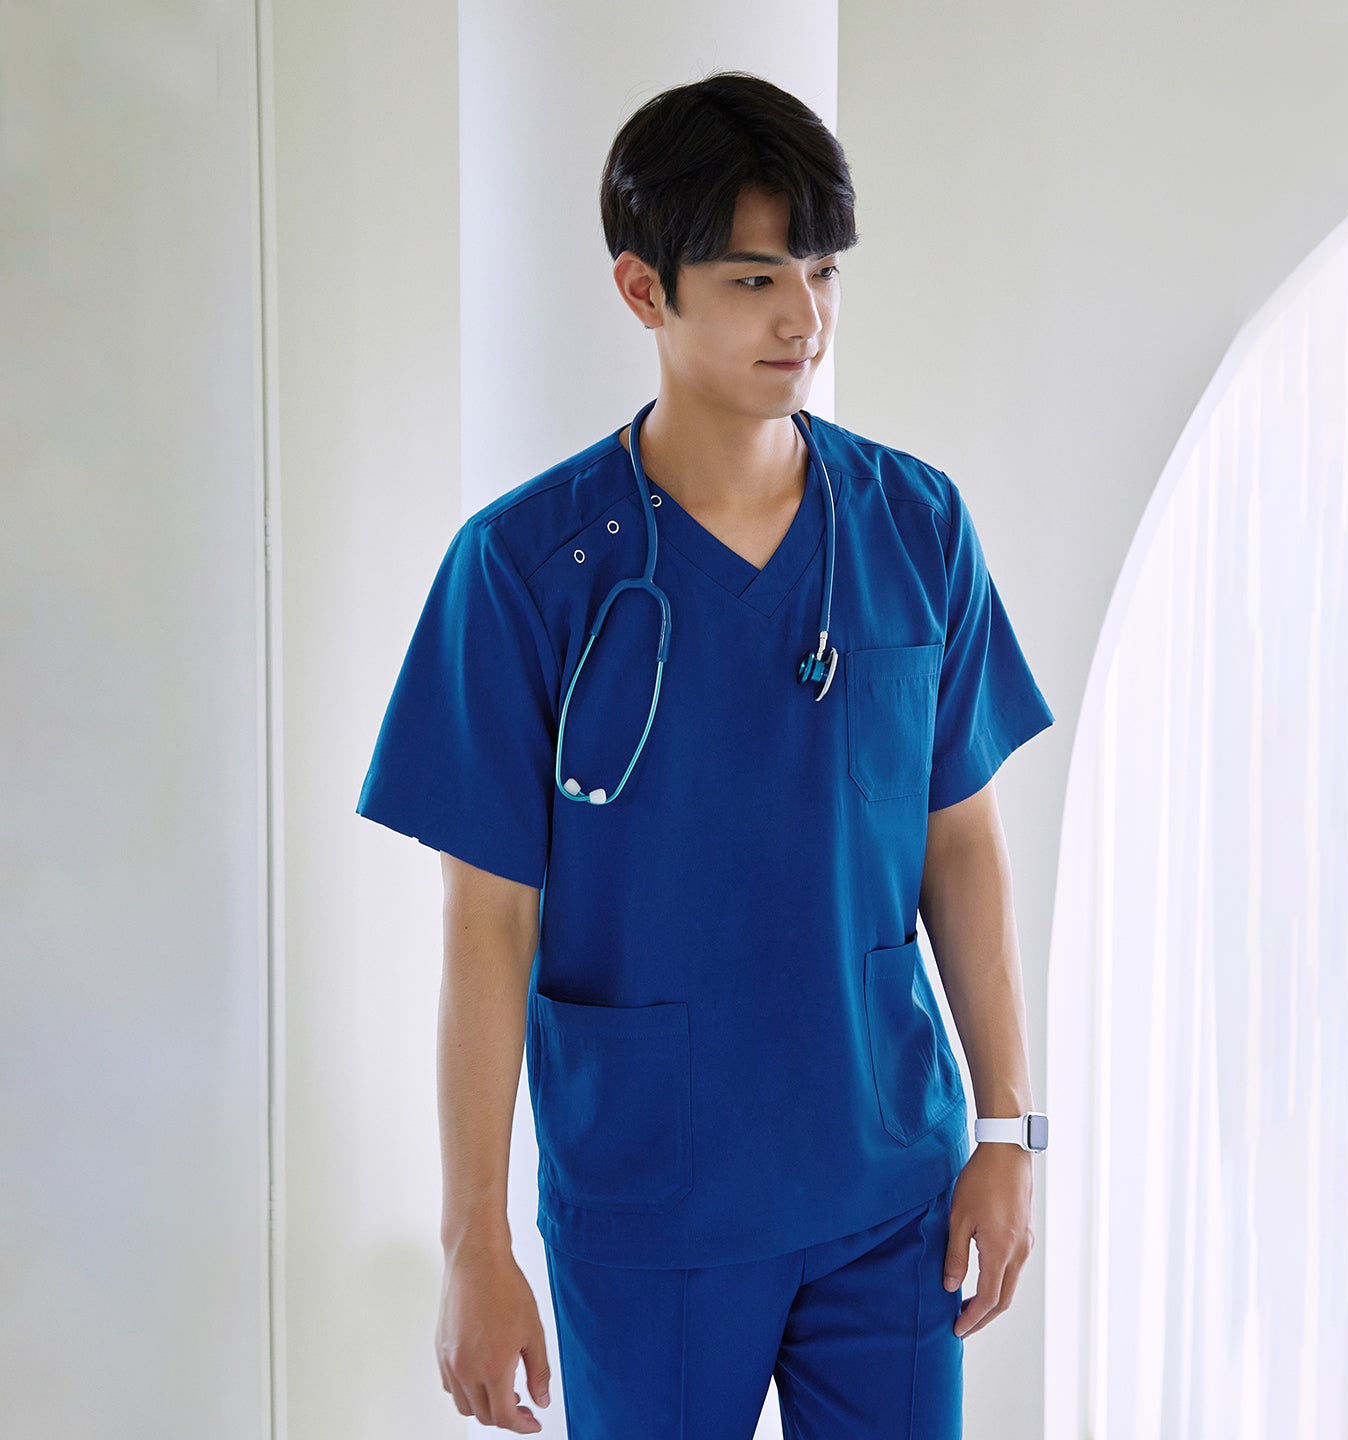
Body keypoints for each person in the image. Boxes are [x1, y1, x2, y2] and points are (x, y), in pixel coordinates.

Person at [356, 70, 1055, 1439]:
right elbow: (486, 922)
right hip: (654, 1207)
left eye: (820, 270)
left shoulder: (916, 528)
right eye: (751, 281)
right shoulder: (523, 572)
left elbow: (957, 838)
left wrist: (1006, 1129)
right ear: (641, 290)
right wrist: (473, 1241)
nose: (803, 317)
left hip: (886, 1188)